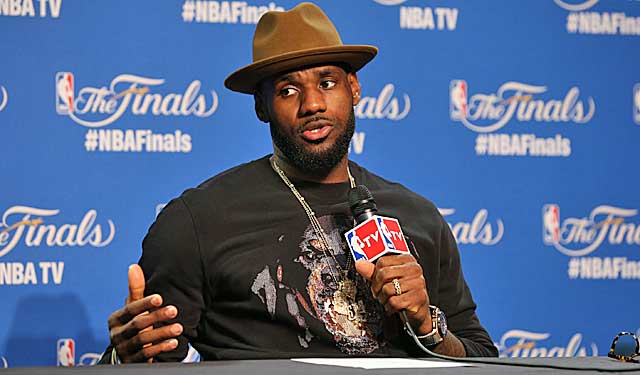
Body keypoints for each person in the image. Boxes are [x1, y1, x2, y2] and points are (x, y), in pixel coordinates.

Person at [100, 2, 498, 364]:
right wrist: (127, 358)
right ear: (262, 106)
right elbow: (149, 349)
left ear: (354, 88)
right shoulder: (198, 220)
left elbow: (480, 358)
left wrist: (428, 324)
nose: (312, 104)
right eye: (288, 90)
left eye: (327, 83)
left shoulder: (417, 216)